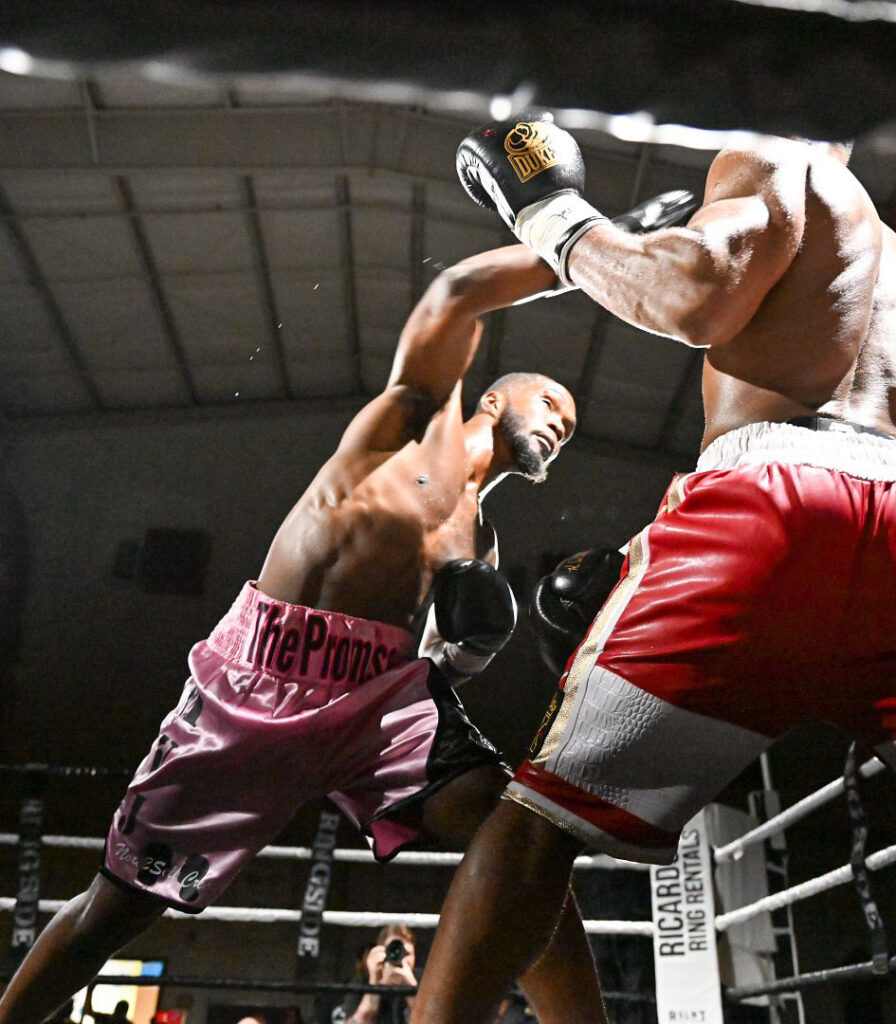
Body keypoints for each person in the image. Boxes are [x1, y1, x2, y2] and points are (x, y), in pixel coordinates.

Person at [409, 117, 896, 1023]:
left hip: (779, 504)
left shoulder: (776, 158)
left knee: (536, 826)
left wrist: (551, 217)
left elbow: (695, 294)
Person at [0, 238, 607, 1024]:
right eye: (551, 403)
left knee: (523, 837)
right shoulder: (413, 424)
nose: (563, 422)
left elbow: (434, 665)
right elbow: (458, 291)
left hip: (382, 700)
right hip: (266, 671)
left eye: (571, 421)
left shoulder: (480, 543)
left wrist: (467, 653)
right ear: (495, 399)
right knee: (114, 913)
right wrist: (581, 243)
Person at [335, 925, 419, 1024]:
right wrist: (374, 984)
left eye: (407, 953)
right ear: (382, 952)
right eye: (394, 951)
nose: (401, 958)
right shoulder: (362, 984)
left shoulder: (424, 981)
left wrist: (411, 988)